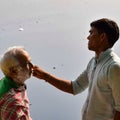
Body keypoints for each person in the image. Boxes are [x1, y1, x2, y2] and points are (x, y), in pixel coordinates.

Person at [33, 18, 120, 120]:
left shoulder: (114, 67)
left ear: (102, 37)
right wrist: (45, 76)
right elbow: (75, 87)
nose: (88, 37)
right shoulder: (93, 62)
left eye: (91, 33)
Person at [0, 46, 33, 120]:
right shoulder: (14, 104)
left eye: (31, 61)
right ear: (14, 71)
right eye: (27, 64)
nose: (32, 66)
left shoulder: (7, 81)